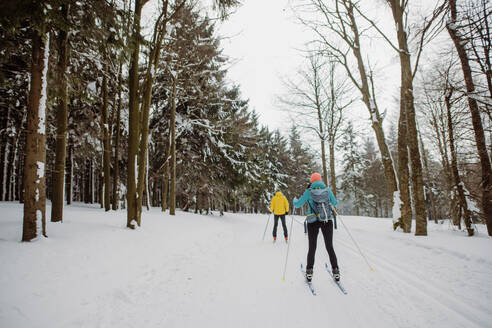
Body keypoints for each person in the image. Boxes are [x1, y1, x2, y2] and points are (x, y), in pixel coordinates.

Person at [293, 173, 340, 282]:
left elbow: (297, 204)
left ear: (312, 181)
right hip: (327, 220)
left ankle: (309, 272)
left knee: (312, 247)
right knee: (330, 247)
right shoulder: (327, 190)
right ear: (320, 180)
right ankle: (336, 271)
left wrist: (294, 199)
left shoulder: (309, 191)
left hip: (312, 221)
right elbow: (335, 203)